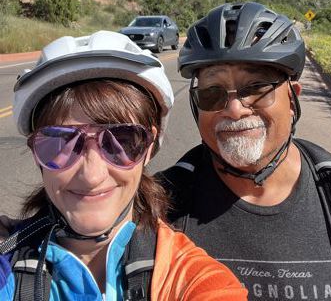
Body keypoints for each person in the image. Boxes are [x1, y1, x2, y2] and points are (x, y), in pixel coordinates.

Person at [0, 30, 246, 301]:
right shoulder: (7, 262)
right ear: (37, 153)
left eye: (122, 140)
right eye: (60, 143)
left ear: (149, 147)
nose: (92, 175)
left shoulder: (191, 279)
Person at [158, 2, 331, 301]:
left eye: (256, 86)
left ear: (292, 99)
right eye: (212, 92)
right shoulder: (158, 204)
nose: (233, 109)